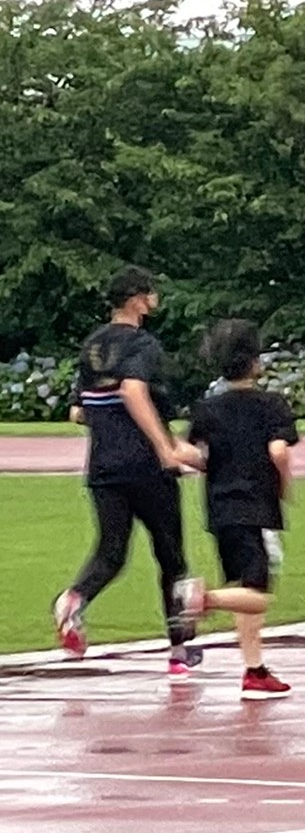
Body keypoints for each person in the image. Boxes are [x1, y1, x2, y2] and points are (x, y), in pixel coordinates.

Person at [52, 267, 204, 675]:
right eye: (150, 292)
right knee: (170, 554)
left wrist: (116, 424)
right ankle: (178, 651)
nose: (155, 298)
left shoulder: (93, 345)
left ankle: (75, 598)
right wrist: (165, 448)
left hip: (103, 466)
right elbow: (133, 391)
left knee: (110, 552)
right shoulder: (143, 345)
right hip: (145, 466)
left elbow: (78, 411)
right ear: (138, 299)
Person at [175, 320, 300, 699]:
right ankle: (201, 598)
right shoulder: (272, 406)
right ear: (256, 364)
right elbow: (278, 451)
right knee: (259, 592)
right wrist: (285, 485)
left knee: (245, 587)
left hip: (220, 509)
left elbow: (192, 455)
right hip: (257, 507)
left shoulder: (208, 409)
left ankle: (254, 669)